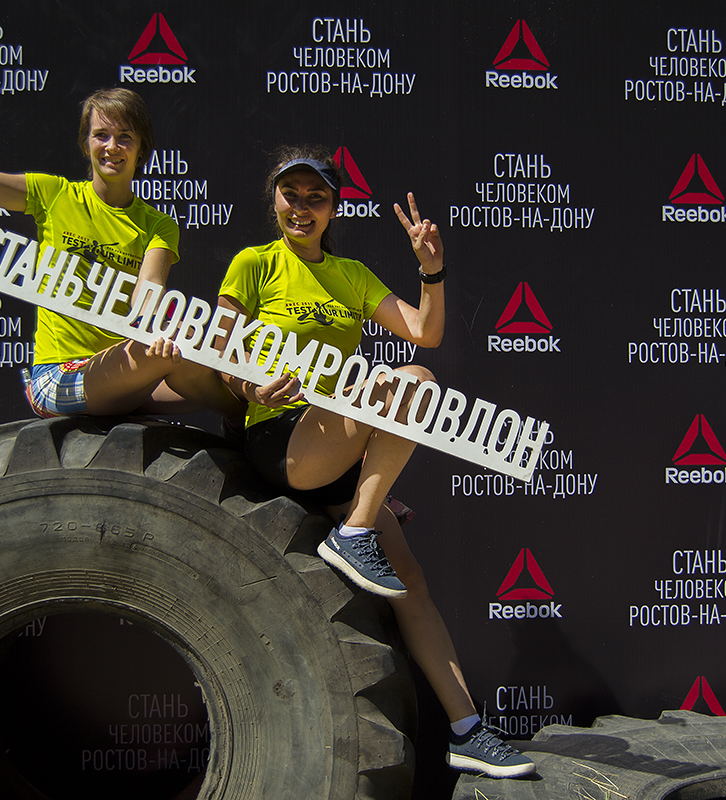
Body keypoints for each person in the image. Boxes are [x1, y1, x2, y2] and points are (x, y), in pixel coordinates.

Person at [216, 148, 536, 778]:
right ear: (274, 200)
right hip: (281, 437)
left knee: (412, 585)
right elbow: (219, 346)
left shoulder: (352, 274)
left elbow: (425, 331)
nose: (301, 207)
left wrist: (432, 272)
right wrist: (250, 386)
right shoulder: (255, 263)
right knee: (412, 381)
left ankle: (467, 732)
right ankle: (356, 531)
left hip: (337, 449)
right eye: (290, 194)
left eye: (315, 197)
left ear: (334, 207)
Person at [0, 59, 242, 422]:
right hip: (58, 378)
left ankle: (251, 427)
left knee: (190, 353)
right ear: (86, 143)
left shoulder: (158, 224)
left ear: (141, 149)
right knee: (166, 350)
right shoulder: (53, 195)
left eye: (125, 137)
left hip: (125, 377)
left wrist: (156, 327)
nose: (112, 147)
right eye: (101, 135)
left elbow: (148, 290)